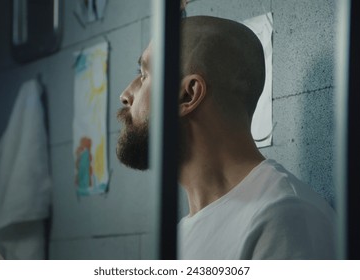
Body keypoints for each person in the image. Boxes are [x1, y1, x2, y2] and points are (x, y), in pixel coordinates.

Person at [116, 15, 336, 259]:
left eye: (145, 74)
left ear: (188, 96)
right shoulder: (181, 233)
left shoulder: (284, 217)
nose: (125, 94)